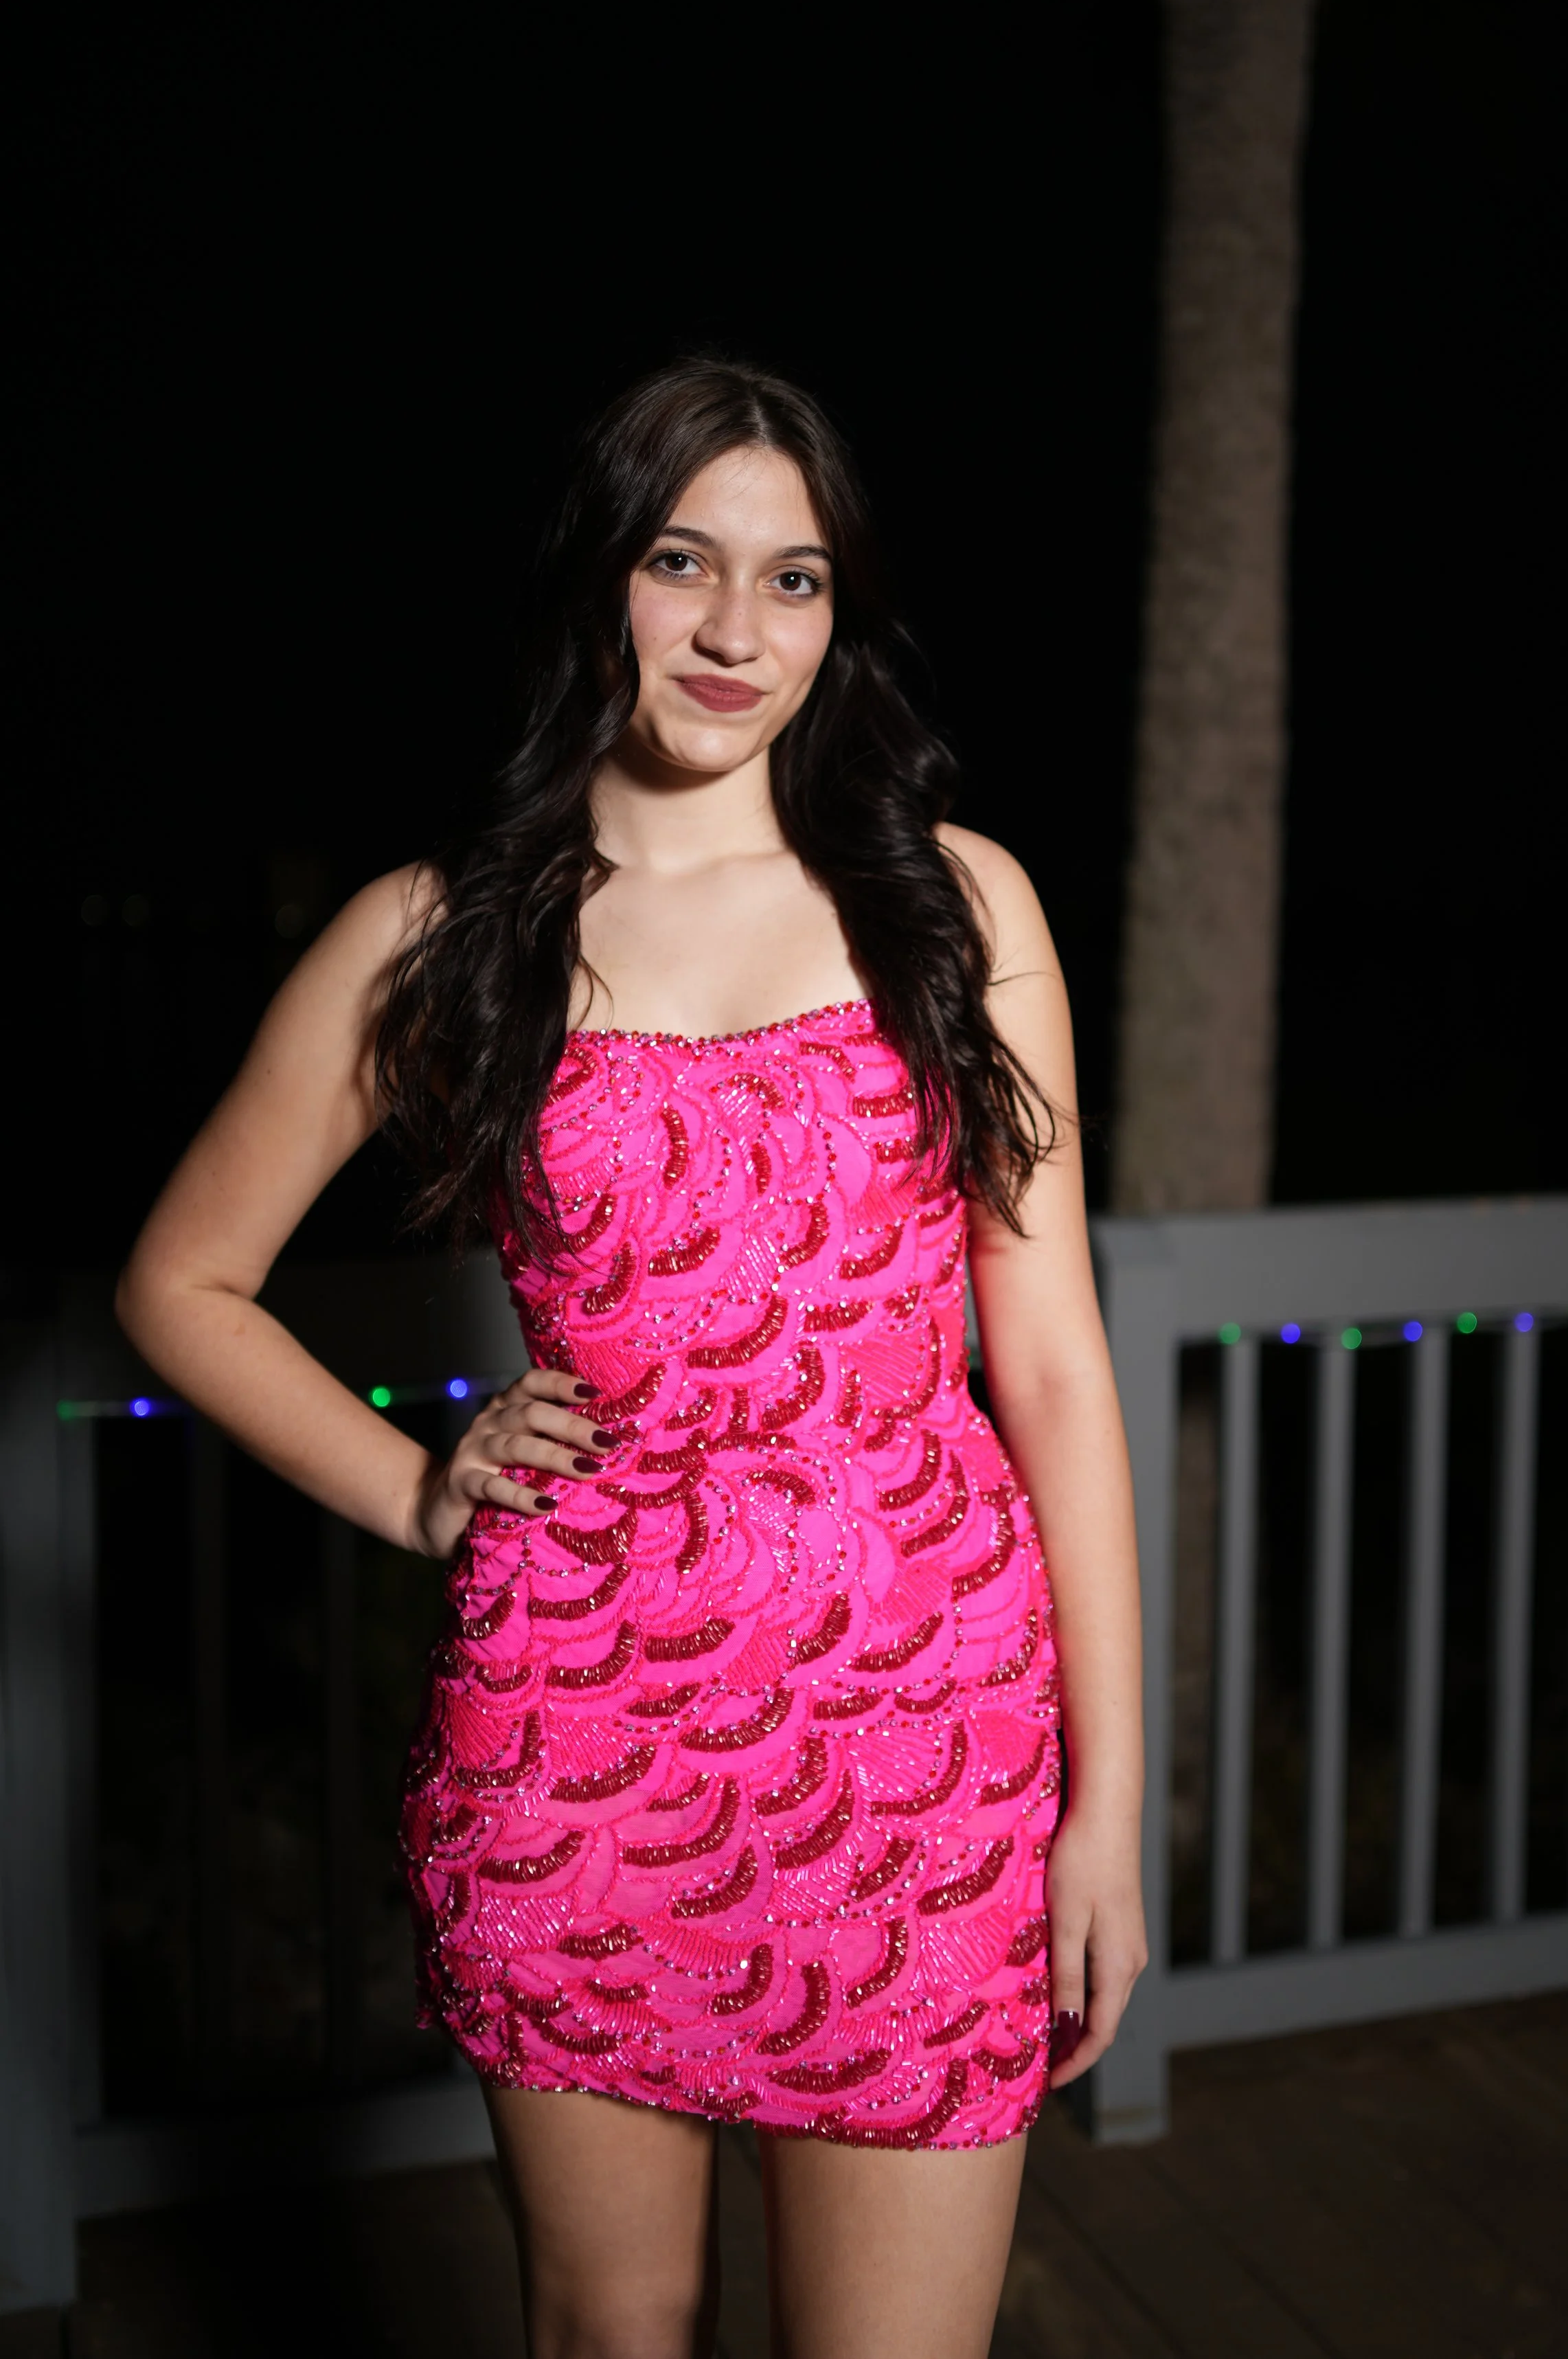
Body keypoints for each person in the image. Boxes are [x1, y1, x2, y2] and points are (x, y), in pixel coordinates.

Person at [117, 357, 1147, 2359]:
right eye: (682, 562)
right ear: (602, 576)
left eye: (796, 578)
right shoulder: (446, 935)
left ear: (841, 614)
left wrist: (1101, 1810)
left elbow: (1055, 1379)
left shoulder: (950, 905)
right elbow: (184, 1283)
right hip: (580, 1727)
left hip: (924, 1742)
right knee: (612, 2326)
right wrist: (416, 1482)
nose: (737, 632)